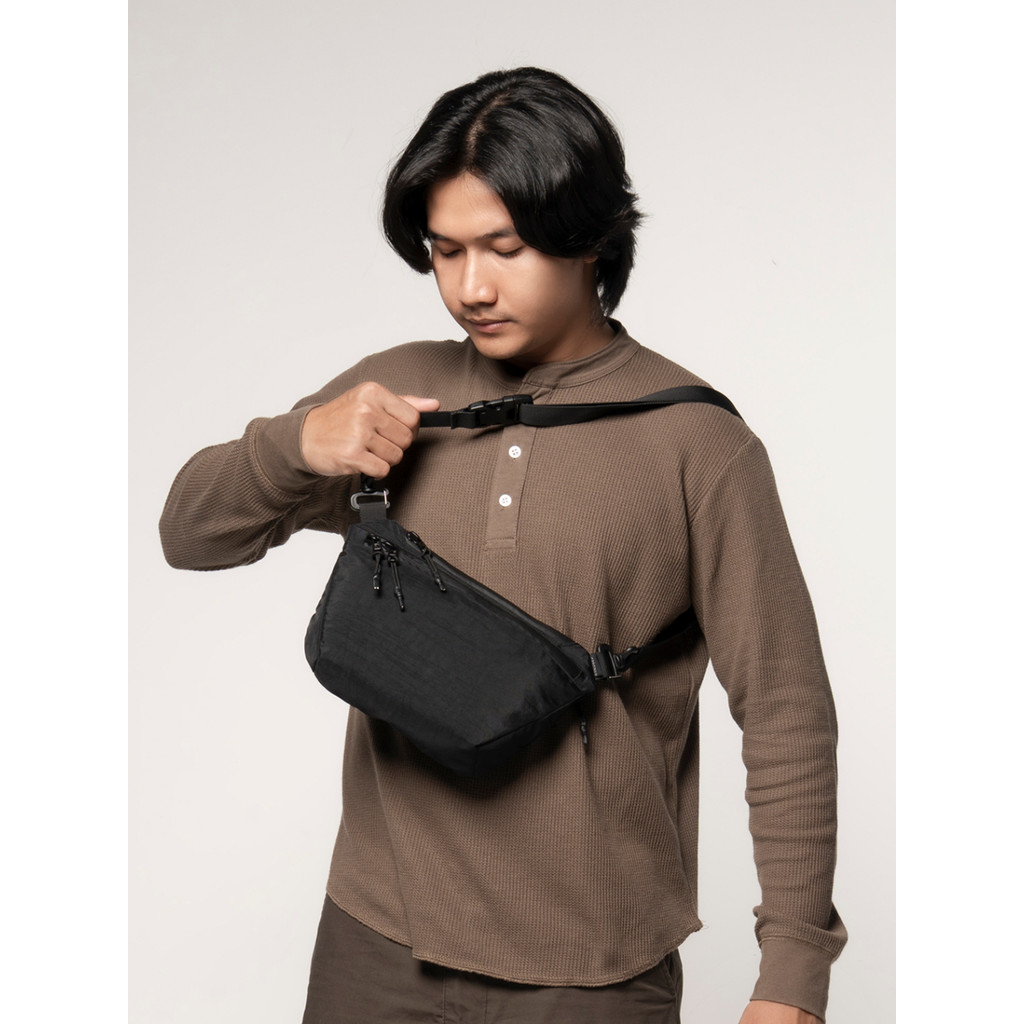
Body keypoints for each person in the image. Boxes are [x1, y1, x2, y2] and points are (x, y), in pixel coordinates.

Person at [160, 67, 845, 1024]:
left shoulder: (699, 446)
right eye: (444, 252)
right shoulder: (398, 391)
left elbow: (785, 708)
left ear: (590, 235)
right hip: (375, 942)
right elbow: (190, 535)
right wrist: (297, 444)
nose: (470, 287)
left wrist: (793, 976)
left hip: (593, 971)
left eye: (504, 248)